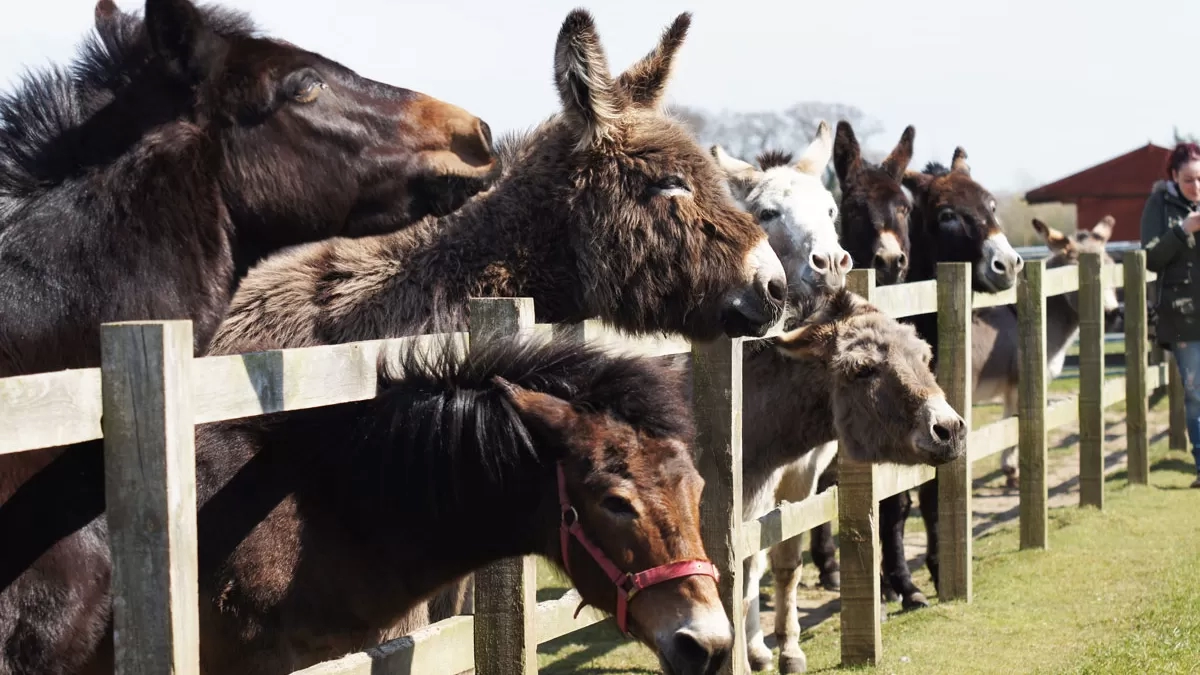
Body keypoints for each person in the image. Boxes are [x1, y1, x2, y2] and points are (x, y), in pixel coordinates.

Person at [1141, 141, 1200, 488]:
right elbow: (1148, 257)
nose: (1197, 186)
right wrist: (1183, 231)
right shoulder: (1159, 205)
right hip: (1183, 317)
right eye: (1190, 179)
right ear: (1174, 177)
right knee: (1195, 393)